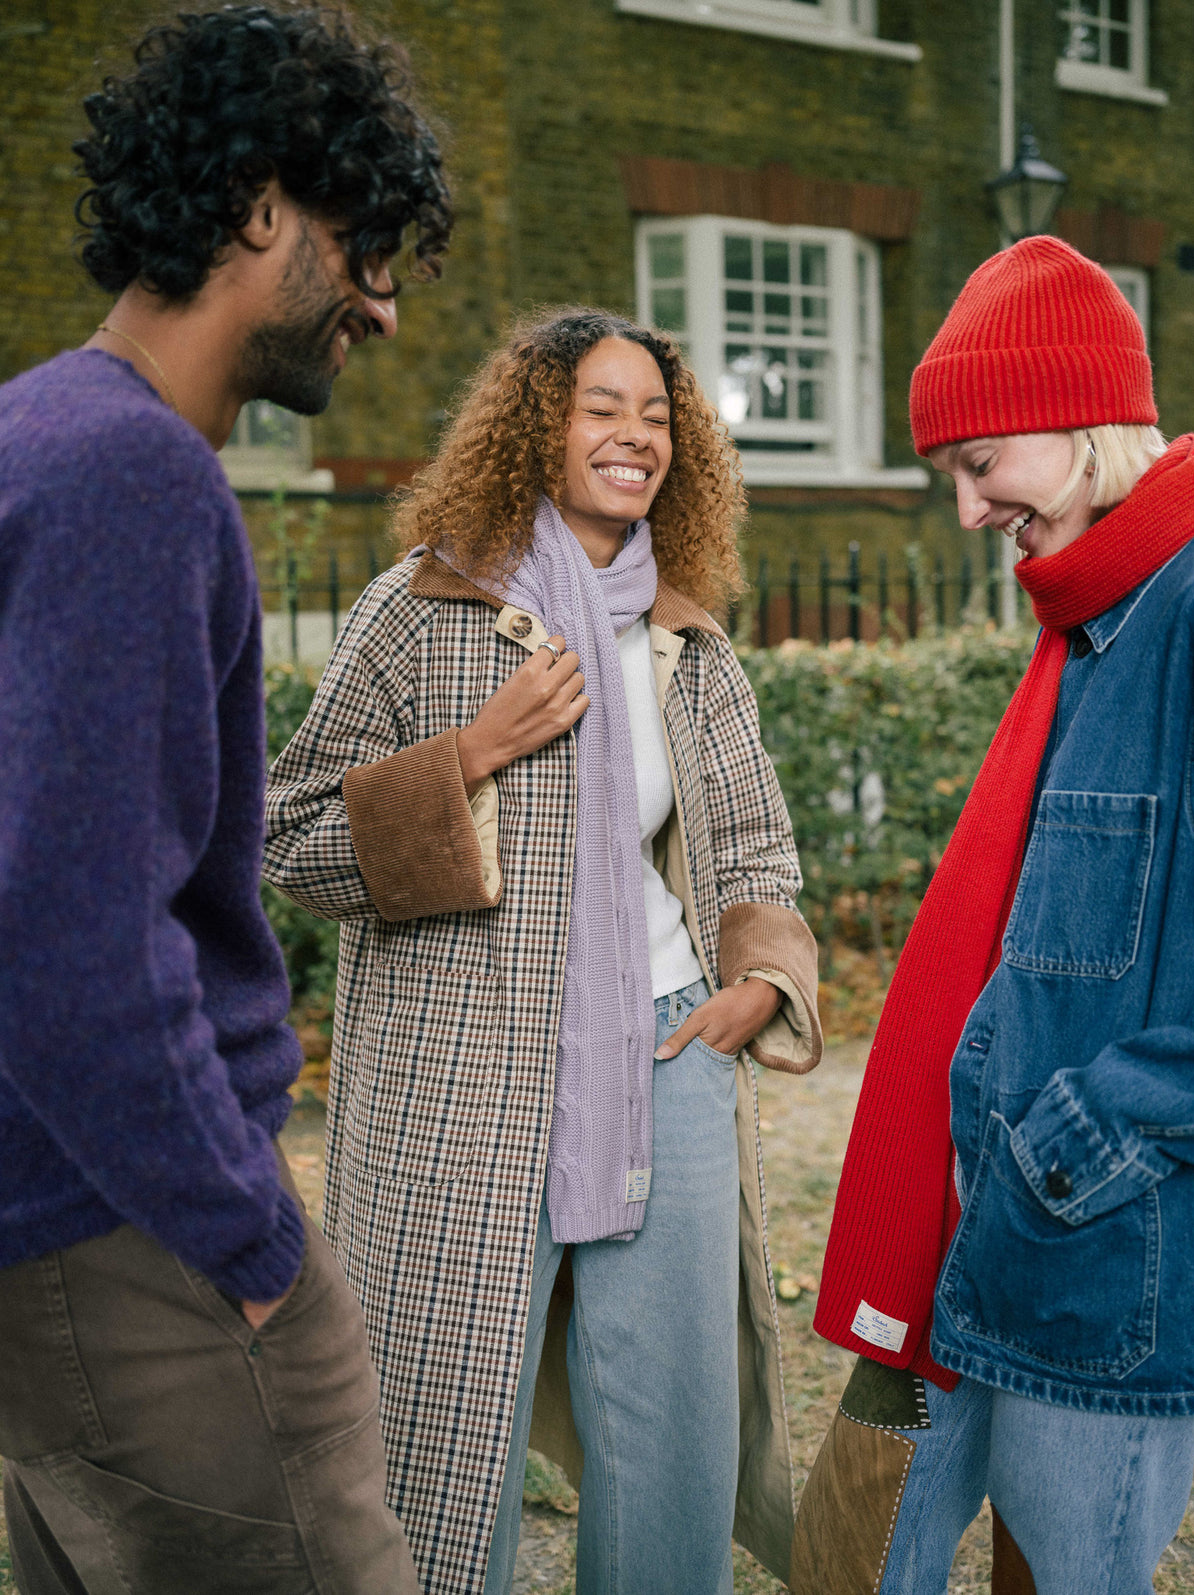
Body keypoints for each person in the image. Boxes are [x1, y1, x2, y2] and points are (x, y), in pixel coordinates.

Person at [262, 307, 823, 1595]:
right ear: (537, 428)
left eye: (658, 417)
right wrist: (471, 752)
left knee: (671, 1435)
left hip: (669, 1058)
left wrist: (757, 982)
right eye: (601, 409)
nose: (635, 438)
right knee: (439, 1439)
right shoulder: (420, 611)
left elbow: (750, 846)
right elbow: (289, 841)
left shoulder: (686, 638)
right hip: (457, 1081)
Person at [0, 7, 451, 1592]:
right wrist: (252, 1249)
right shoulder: (133, 473)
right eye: (366, 246)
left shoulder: (32, 432)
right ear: (260, 204)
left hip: (63, 1226)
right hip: (148, 1246)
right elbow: (70, 943)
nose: (384, 311)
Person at [790, 236, 1194, 1595]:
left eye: (982, 465)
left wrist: (1064, 1146)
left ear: (1081, 420)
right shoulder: (1093, 616)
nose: (968, 511)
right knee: (853, 1553)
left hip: (1099, 1247)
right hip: (972, 1222)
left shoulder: (1183, 610)